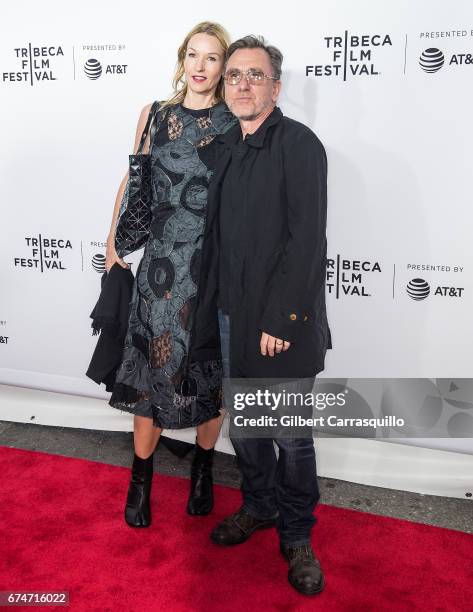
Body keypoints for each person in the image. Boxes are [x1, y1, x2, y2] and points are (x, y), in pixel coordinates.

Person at [195, 36, 331, 596]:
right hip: (230, 315)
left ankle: (298, 535)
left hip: (281, 321)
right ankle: (260, 506)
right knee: (246, 427)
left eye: (254, 75)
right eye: (233, 76)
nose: (242, 85)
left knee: (291, 435)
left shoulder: (299, 146)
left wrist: (284, 318)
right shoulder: (224, 145)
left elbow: (306, 243)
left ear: (276, 86)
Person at [105, 22, 237, 527]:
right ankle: (141, 481)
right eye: (193, 56)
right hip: (160, 266)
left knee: (209, 378)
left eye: (211, 58)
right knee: (149, 376)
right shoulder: (155, 115)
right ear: (182, 60)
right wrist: (112, 240)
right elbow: (134, 177)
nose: (200, 67)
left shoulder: (234, 122)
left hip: (211, 268)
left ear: (224, 66)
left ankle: (203, 470)